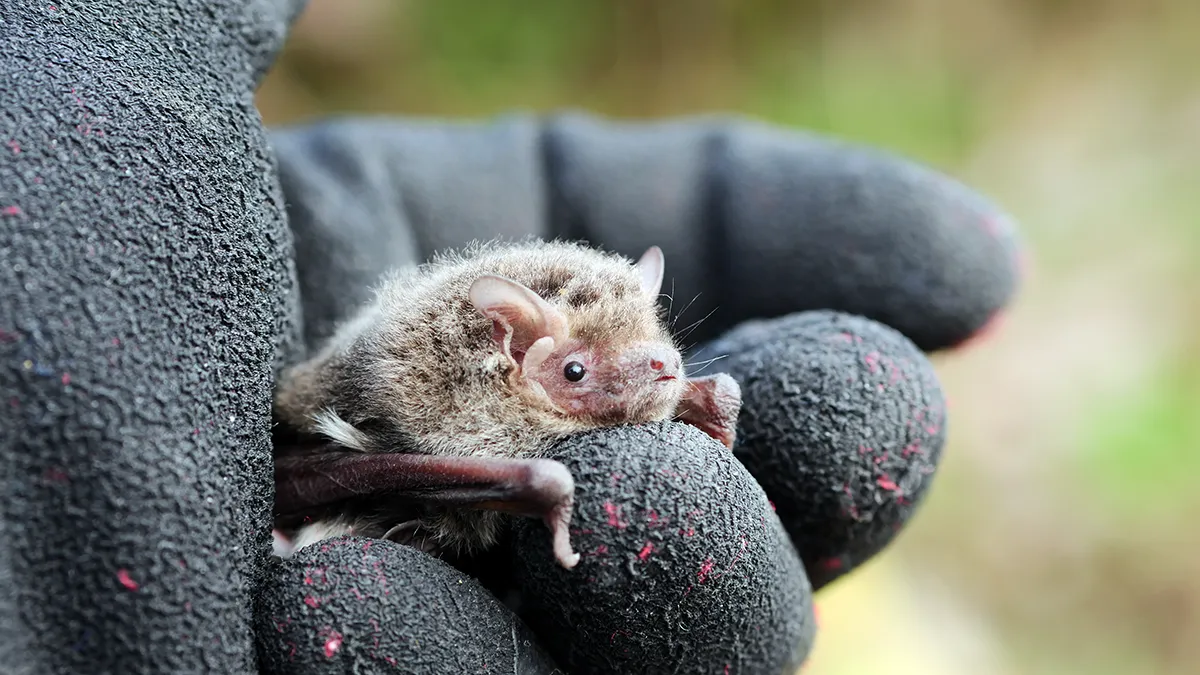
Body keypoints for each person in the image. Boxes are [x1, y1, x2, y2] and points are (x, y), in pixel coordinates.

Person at [0, 1, 1021, 673]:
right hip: (347, 496)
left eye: (645, 358)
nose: (631, 389)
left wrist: (675, 402)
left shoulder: (600, 402)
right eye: (577, 374)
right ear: (513, 353)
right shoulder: (443, 411)